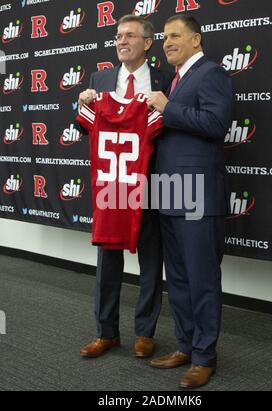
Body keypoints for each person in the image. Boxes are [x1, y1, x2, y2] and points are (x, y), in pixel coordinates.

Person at [77, 15, 173, 359]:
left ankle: (145, 332)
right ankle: (106, 332)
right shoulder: (99, 79)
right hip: (112, 185)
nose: (121, 41)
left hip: (152, 180)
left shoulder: (167, 79)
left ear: (147, 43)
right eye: (118, 36)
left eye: (129, 36)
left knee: (151, 258)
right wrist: (83, 104)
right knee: (108, 260)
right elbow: (87, 130)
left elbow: (172, 129)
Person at [146, 15, 233, 388]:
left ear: (196, 39)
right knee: (178, 278)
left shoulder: (211, 73)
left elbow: (216, 124)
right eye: (164, 37)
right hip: (169, 191)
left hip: (198, 192)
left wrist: (167, 107)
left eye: (174, 36)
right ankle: (186, 345)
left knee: (201, 278)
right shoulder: (175, 80)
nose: (166, 42)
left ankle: (204, 356)